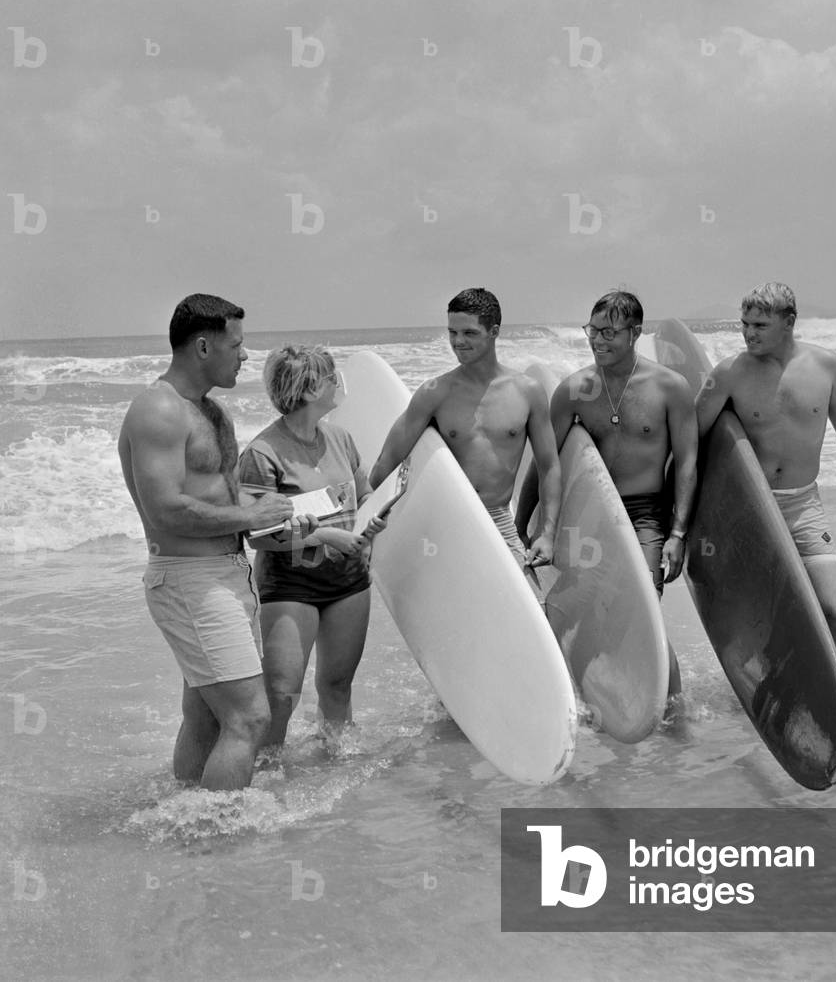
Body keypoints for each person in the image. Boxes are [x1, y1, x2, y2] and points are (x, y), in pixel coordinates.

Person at [118, 293, 294, 790]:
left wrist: (281, 520)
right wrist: (248, 514)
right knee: (250, 719)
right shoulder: (157, 410)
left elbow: (229, 507)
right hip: (190, 583)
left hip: (229, 577)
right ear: (202, 346)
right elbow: (166, 509)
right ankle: (222, 835)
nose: (245, 356)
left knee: (206, 717)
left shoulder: (213, 413)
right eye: (236, 345)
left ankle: (189, 818)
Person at [695, 282, 836, 683]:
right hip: (748, 512)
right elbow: (692, 440)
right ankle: (766, 686)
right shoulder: (730, 374)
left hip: (803, 507)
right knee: (762, 617)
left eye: (760, 325)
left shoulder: (826, 367)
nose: (749, 333)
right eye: (744, 324)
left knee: (834, 610)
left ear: (789, 322)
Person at [516, 290, 699, 694]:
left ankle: (669, 706)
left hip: (646, 515)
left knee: (641, 609)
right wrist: (522, 526)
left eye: (608, 332)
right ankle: (581, 689)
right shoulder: (573, 390)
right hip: (589, 515)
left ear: (635, 333)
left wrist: (678, 534)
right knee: (573, 608)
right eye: (592, 330)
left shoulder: (670, 388)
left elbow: (687, 462)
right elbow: (545, 464)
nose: (597, 340)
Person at [238, 345, 387, 747]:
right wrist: (324, 536)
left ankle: (336, 768)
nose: (338, 383)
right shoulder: (262, 452)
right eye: (330, 376)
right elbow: (256, 533)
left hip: (348, 581)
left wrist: (372, 525)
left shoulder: (341, 438)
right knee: (283, 695)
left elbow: (365, 493)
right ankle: (269, 776)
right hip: (291, 585)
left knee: (337, 685)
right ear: (307, 390)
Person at [368, 287, 562, 573]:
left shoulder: (527, 392)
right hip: (444, 524)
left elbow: (549, 466)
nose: (458, 342)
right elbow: (385, 465)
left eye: (469, 333)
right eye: (452, 332)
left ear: (493, 331)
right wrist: (372, 530)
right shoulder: (434, 393)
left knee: (528, 610)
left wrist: (547, 534)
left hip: (497, 520)